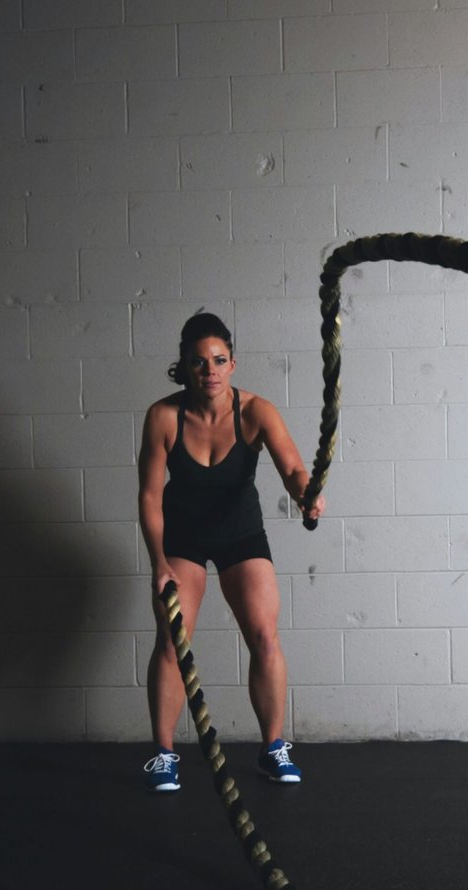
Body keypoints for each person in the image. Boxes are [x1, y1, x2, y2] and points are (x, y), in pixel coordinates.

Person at [137, 312, 325, 792]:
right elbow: (150, 496)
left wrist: (307, 493)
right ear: (185, 365)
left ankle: (273, 747)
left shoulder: (256, 411)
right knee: (172, 640)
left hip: (241, 535)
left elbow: (293, 470)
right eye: (199, 362)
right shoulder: (163, 416)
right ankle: (163, 754)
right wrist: (158, 563)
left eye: (219, 360)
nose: (210, 371)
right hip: (183, 539)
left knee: (265, 635)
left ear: (233, 363)